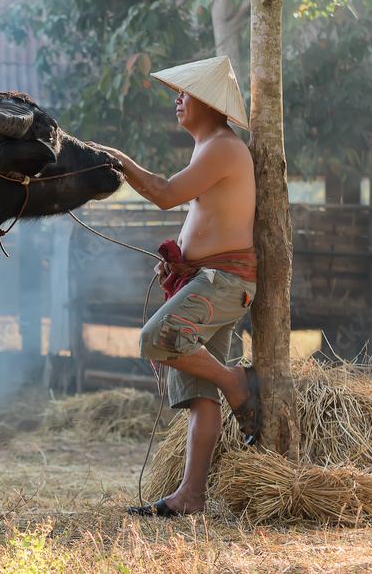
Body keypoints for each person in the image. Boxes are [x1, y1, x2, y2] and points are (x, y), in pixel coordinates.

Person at [90, 55, 261, 517]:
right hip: (206, 280)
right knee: (197, 396)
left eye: (185, 94)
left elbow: (165, 195)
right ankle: (192, 497)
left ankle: (237, 382)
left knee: (157, 339)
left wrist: (118, 161)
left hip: (223, 283)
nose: (177, 100)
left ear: (209, 103)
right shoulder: (210, 147)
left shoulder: (224, 146)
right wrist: (180, 265)